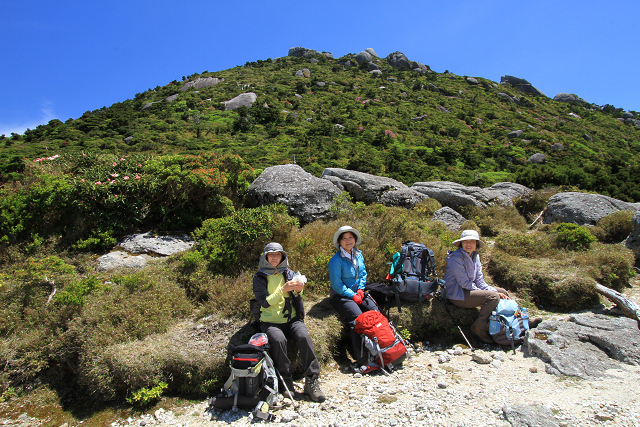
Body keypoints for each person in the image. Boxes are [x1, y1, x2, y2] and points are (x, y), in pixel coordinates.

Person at [252, 242, 325, 402]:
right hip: (270, 321)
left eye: (278, 254)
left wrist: (299, 289)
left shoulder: (289, 273)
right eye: (271, 255)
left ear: (282, 257)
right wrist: (282, 289)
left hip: (292, 319)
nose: (274, 258)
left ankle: (312, 381)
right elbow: (264, 302)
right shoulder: (259, 278)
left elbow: (298, 296)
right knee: (278, 340)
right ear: (265, 257)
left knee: (304, 336)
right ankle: (286, 381)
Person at [443, 229, 511, 343]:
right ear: (461, 244)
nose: (468, 244)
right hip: (457, 294)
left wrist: (493, 290)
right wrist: (492, 293)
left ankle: (514, 320)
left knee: (503, 292)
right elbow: (464, 283)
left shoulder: (475, 257)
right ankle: (479, 327)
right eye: (465, 242)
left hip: (469, 291)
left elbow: (479, 281)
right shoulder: (455, 258)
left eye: (472, 242)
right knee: (493, 297)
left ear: (476, 244)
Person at [328, 225, 379, 370]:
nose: (348, 241)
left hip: (358, 293)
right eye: (344, 238)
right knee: (358, 320)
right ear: (339, 242)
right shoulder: (335, 260)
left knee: (375, 313)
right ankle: (363, 360)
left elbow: (363, 274)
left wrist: (361, 290)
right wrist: (353, 295)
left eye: (350, 237)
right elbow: (337, 285)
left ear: (355, 239)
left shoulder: (358, 255)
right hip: (341, 295)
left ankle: (382, 350)